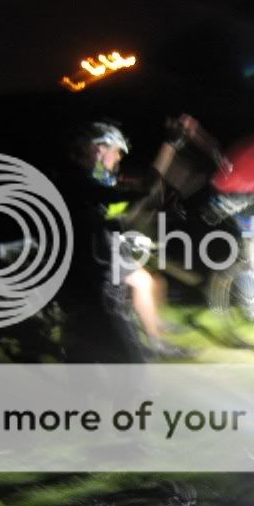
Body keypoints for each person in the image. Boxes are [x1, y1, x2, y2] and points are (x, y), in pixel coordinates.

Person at [73, 120, 195, 361]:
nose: (119, 157)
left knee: (150, 280)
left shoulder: (99, 174)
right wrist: (168, 149)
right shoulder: (88, 176)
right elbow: (125, 199)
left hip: (106, 247)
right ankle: (155, 342)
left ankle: (155, 328)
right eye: (117, 151)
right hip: (96, 255)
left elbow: (119, 208)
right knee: (143, 282)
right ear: (99, 149)